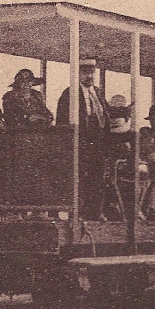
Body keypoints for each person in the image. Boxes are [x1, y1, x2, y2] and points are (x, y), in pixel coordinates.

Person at [56, 59, 109, 219]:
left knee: (97, 177)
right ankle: (77, 211)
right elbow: (62, 120)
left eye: (92, 72)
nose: (90, 76)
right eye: (86, 73)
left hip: (97, 143)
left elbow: (105, 115)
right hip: (80, 142)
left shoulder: (98, 93)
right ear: (78, 74)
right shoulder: (69, 94)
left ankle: (95, 212)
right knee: (79, 177)